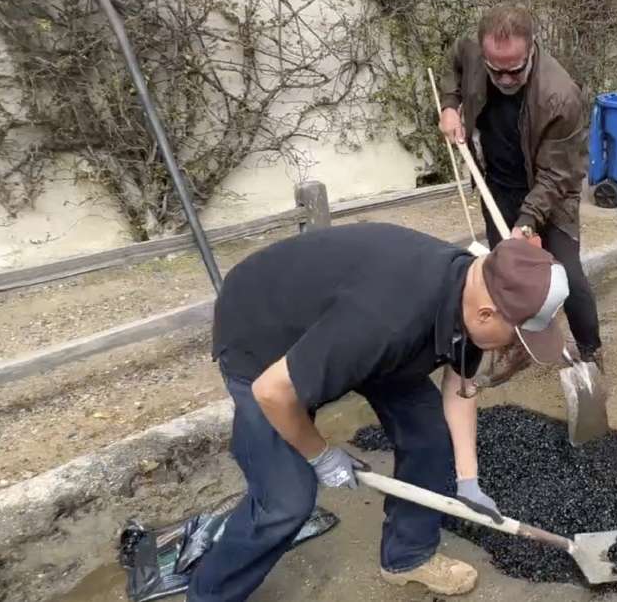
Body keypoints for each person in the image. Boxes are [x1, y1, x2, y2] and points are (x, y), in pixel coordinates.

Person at [187, 222, 570, 601]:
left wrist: (469, 480)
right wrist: (320, 455)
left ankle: (408, 556)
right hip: (263, 333)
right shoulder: (388, 321)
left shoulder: (470, 287)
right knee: (286, 501)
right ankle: (211, 594)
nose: (514, 347)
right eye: (518, 337)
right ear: (486, 315)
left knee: (430, 438)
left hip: (351, 332)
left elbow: (459, 387)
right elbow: (272, 392)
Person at [438, 5, 603, 376]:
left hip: (551, 191)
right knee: (505, 277)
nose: (505, 79)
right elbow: (455, 64)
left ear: (531, 49)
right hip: (497, 184)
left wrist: (527, 222)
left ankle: (591, 354)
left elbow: (559, 174)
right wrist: (450, 105)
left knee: (568, 276)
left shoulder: (560, 95)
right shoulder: (473, 51)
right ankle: (515, 346)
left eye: (515, 69)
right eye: (495, 70)